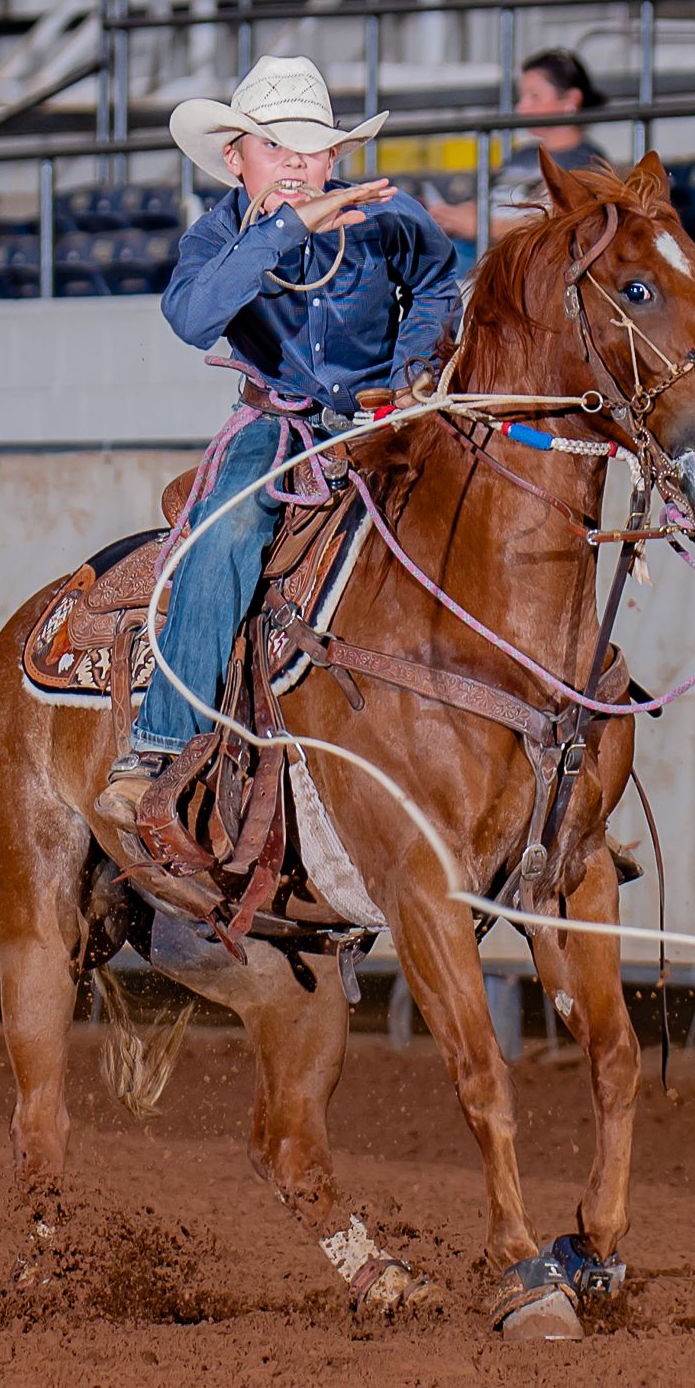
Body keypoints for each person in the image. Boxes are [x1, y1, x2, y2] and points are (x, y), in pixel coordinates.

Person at [94, 55, 457, 831]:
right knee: (226, 532)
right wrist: (288, 230)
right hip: (277, 424)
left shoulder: (388, 215)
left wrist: (412, 371)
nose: (295, 163)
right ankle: (161, 745)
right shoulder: (216, 236)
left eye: (312, 149)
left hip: (382, 417)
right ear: (235, 159)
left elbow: (434, 283)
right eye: (274, 146)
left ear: (334, 158)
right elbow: (192, 318)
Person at [430, 48, 615, 250]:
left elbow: (562, 226)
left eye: (534, 96)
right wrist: (451, 215)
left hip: (513, 254)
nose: (521, 107)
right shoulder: (522, 155)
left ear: (571, 99)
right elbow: (487, 200)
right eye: (523, 97)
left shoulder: (589, 163)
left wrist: (482, 227)